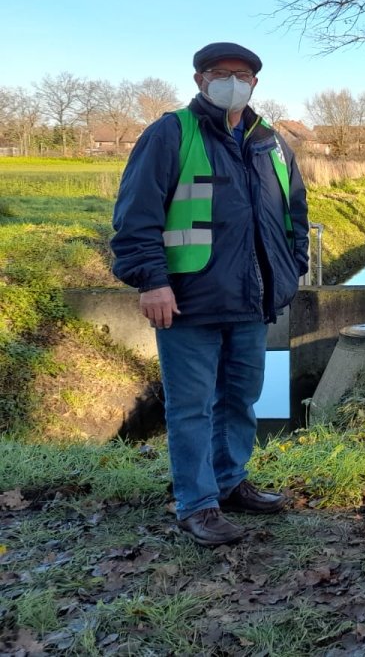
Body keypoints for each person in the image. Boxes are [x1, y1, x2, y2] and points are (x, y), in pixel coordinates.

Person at [112, 42, 309, 547]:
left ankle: (229, 482)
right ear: (200, 80)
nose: (232, 82)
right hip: (188, 299)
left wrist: (292, 269)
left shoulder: (271, 142)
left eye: (242, 75)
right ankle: (197, 504)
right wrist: (152, 281)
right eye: (220, 73)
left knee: (241, 399)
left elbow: (295, 213)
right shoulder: (171, 133)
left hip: (252, 300)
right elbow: (136, 215)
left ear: (255, 83)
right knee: (191, 406)